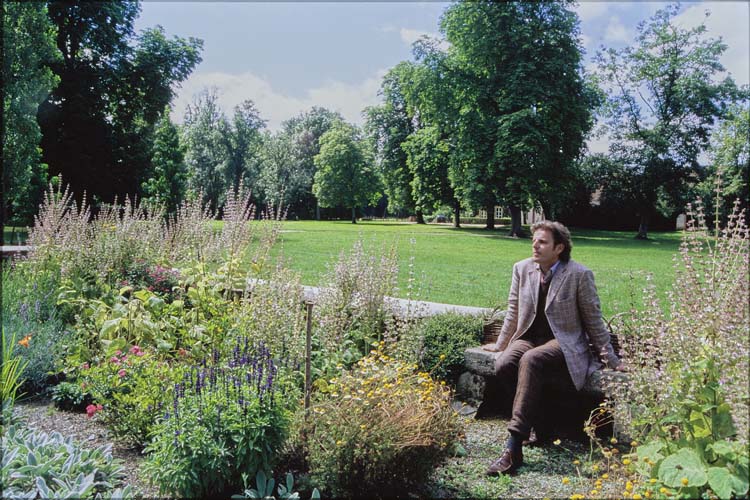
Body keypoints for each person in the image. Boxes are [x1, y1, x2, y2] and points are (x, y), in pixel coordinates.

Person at [482, 220, 624, 475]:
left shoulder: (579, 274)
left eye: (542, 242)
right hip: (528, 336)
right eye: (534, 240)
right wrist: (501, 344)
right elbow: (513, 311)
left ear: (559, 248)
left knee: (532, 360)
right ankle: (543, 426)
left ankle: (513, 446)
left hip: (565, 342)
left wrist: (611, 360)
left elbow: (593, 320)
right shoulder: (522, 269)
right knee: (505, 363)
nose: (535, 245)